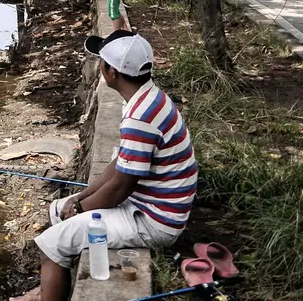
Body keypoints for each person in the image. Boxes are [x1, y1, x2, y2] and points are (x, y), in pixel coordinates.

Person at [11, 31, 196, 301]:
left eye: (101, 62)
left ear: (111, 72)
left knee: (49, 245)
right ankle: (49, 286)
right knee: (56, 210)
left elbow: (121, 187)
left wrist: (80, 209)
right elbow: (119, 164)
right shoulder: (147, 98)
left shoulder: (140, 117)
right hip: (151, 204)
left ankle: (48, 294)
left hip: (154, 221)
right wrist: (80, 197)